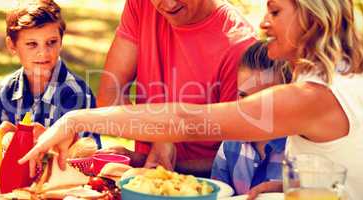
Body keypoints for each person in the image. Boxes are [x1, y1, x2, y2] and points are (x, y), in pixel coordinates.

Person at [19, 0, 363, 199]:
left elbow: (189, 120)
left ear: (310, 14)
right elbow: (353, 170)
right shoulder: (339, 79)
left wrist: (75, 120)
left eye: (275, 11)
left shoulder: (315, 95)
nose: (263, 24)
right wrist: (285, 186)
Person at [96, 0, 256, 176]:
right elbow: (110, 94)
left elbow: (239, 159)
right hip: (148, 180)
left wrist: (165, 164)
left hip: (206, 186)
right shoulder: (141, 4)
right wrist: (159, 138)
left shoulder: (239, 45)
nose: (170, 5)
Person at [0, 0, 101, 148]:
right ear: (12, 45)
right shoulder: (6, 90)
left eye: (51, 42)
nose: (43, 53)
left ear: (61, 41)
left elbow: (85, 157)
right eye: (32, 44)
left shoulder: (78, 94)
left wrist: (48, 141)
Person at [210, 41, 288, 195]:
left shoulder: (298, 148)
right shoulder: (230, 144)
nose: (250, 109)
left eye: (263, 99)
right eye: (243, 96)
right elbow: (218, 193)